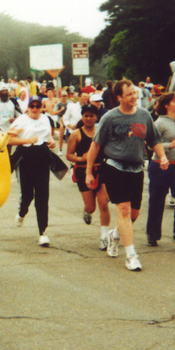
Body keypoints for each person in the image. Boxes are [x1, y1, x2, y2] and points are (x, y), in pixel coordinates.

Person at [85, 80, 169, 272]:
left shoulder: (144, 115)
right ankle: (131, 256)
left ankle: (115, 236)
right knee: (123, 210)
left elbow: (154, 139)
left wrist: (162, 157)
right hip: (114, 168)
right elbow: (95, 145)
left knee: (133, 214)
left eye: (135, 93)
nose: (134, 96)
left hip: (137, 169)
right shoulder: (110, 117)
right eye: (129, 94)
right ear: (120, 97)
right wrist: (89, 172)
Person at [145, 93, 175, 247]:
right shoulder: (159, 123)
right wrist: (169, 145)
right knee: (157, 201)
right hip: (160, 166)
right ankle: (152, 234)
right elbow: (148, 144)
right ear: (167, 105)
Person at [11, 96, 58, 247]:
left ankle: (43, 232)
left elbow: (50, 138)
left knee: (42, 196)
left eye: (38, 106)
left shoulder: (45, 119)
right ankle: (21, 212)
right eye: (32, 106)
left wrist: (51, 143)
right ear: (28, 107)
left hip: (42, 157)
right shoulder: (21, 120)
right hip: (25, 158)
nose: (35, 109)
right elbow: (8, 139)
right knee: (27, 194)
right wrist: (26, 141)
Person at [65, 104, 112, 245]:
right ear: (82, 117)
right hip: (83, 171)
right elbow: (69, 155)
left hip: (100, 171)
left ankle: (104, 237)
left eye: (91, 116)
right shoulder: (76, 134)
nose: (89, 118)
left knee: (104, 203)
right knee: (91, 207)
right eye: (86, 115)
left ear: (96, 117)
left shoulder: (101, 132)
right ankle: (87, 212)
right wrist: (81, 158)